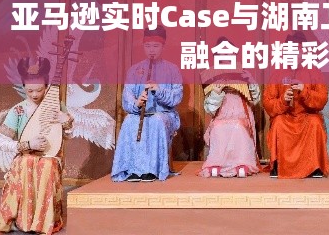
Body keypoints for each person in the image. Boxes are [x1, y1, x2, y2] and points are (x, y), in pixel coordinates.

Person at [0, 57, 74, 235]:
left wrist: (66, 122)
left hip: (50, 156)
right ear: (23, 88)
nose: (35, 94)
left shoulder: (57, 106)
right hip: (25, 155)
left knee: (47, 165)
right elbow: (1, 141)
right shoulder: (18, 110)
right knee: (26, 162)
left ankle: (43, 223)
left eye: (39, 90)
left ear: (46, 87)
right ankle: (23, 221)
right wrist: (27, 144)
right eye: (30, 91)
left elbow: (66, 136)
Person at [112, 25, 183, 182]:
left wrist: (158, 90)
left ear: (163, 46)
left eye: (156, 46)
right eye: (148, 46)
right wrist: (137, 102)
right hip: (140, 113)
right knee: (129, 120)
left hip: (165, 114)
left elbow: (177, 97)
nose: (151, 50)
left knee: (156, 121)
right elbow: (127, 96)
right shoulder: (134, 70)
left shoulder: (172, 70)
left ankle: (152, 169)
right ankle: (131, 169)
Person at [263, 31, 329, 179]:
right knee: (278, 123)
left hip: (306, 117)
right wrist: (283, 100)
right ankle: (278, 164)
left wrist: (305, 91)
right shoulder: (278, 73)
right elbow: (267, 102)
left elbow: (322, 99)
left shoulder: (314, 72)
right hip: (286, 117)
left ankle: (314, 167)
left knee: (315, 123)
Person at [199, 37, 262, 178]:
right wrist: (216, 93)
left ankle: (242, 163)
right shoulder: (212, 74)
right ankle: (217, 163)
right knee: (219, 127)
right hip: (221, 113)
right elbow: (209, 109)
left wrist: (250, 82)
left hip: (241, 112)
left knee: (238, 126)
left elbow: (255, 99)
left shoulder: (243, 71)